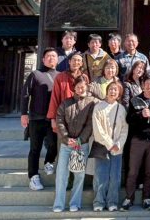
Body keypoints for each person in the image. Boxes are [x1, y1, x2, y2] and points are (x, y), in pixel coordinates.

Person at [53, 74, 98, 213]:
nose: (80, 89)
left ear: (87, 87)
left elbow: (90, 124)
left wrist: (80, 140)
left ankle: (75, 203)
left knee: (79, 175)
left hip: (81, 145)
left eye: (82, 86)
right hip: (66, 144)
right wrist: (67, 138)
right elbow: (59, 120)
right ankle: (59, 204)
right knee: (62, 174)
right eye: (78, 87)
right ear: (74, 88)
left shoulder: (91, 103)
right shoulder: (66, 103)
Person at [122, 73, 150, 211]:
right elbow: (128, 119)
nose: (149, 86)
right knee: (133, 171)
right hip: (137, 140)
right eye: (147, 83)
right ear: (142, 85)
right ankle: (129, 198)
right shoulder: (135, 100)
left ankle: (147, 198)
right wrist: (140, 114)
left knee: (149, 171)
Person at [20, 47, 59, 191]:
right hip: (36, 118)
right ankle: (33, 176)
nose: (51, 58)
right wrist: (24, 113)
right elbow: (25, 94)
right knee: (35, 148)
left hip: (52, 118)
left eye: (54, 56)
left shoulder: (60, 76)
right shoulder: (35, 74)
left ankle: (49, 161)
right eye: (48, 56)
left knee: (54, 145)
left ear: (57, 59)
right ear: (43, 59)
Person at [91, 81, 128, 212]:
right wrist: (109, 144)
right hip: (102, 146)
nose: (113, 91)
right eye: (111, 89)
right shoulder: (98, 107)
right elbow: (97, 129)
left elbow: (124, 129)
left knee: (115, 177)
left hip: (117, 148)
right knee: (101, 176)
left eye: (115, 90)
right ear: (106, 91)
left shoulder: (121, 109)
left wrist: (118, 144)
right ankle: (99, 202)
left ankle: (112, 201)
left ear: (119, 93)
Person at [47, 53, 84, 132]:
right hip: (63, 116)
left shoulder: (84, 78)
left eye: (78, 60)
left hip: (80, 116)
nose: (76, 62)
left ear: (81, 64)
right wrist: (53, 119)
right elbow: (55, 98)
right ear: (69, 61)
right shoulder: (60, 77)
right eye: (74, 60)